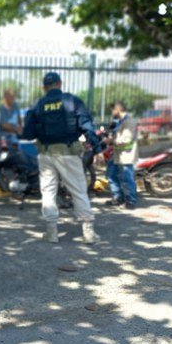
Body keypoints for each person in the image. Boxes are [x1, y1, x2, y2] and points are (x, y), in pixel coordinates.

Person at [23, 71, 102, 244]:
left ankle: (51, 232)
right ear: (60, 84)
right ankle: (88, 233)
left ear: (44, 87)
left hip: (45, 154)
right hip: (68, 153)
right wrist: (96, 146)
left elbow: (27, 134)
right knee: (79, 191)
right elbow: (87, 125)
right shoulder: (72, 101)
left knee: (48, 192)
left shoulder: (39, 105)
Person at [104, 100, 138, 209]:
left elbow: (127, 140)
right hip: (117, 154)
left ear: (117, 109)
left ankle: (130, 201)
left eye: (112, 110)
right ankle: (118, 197)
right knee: (111, 174)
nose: (112, 113)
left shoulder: (129, 121)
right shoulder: (121, 121)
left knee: (127, 178)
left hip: (126, 155)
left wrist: (111, 141)